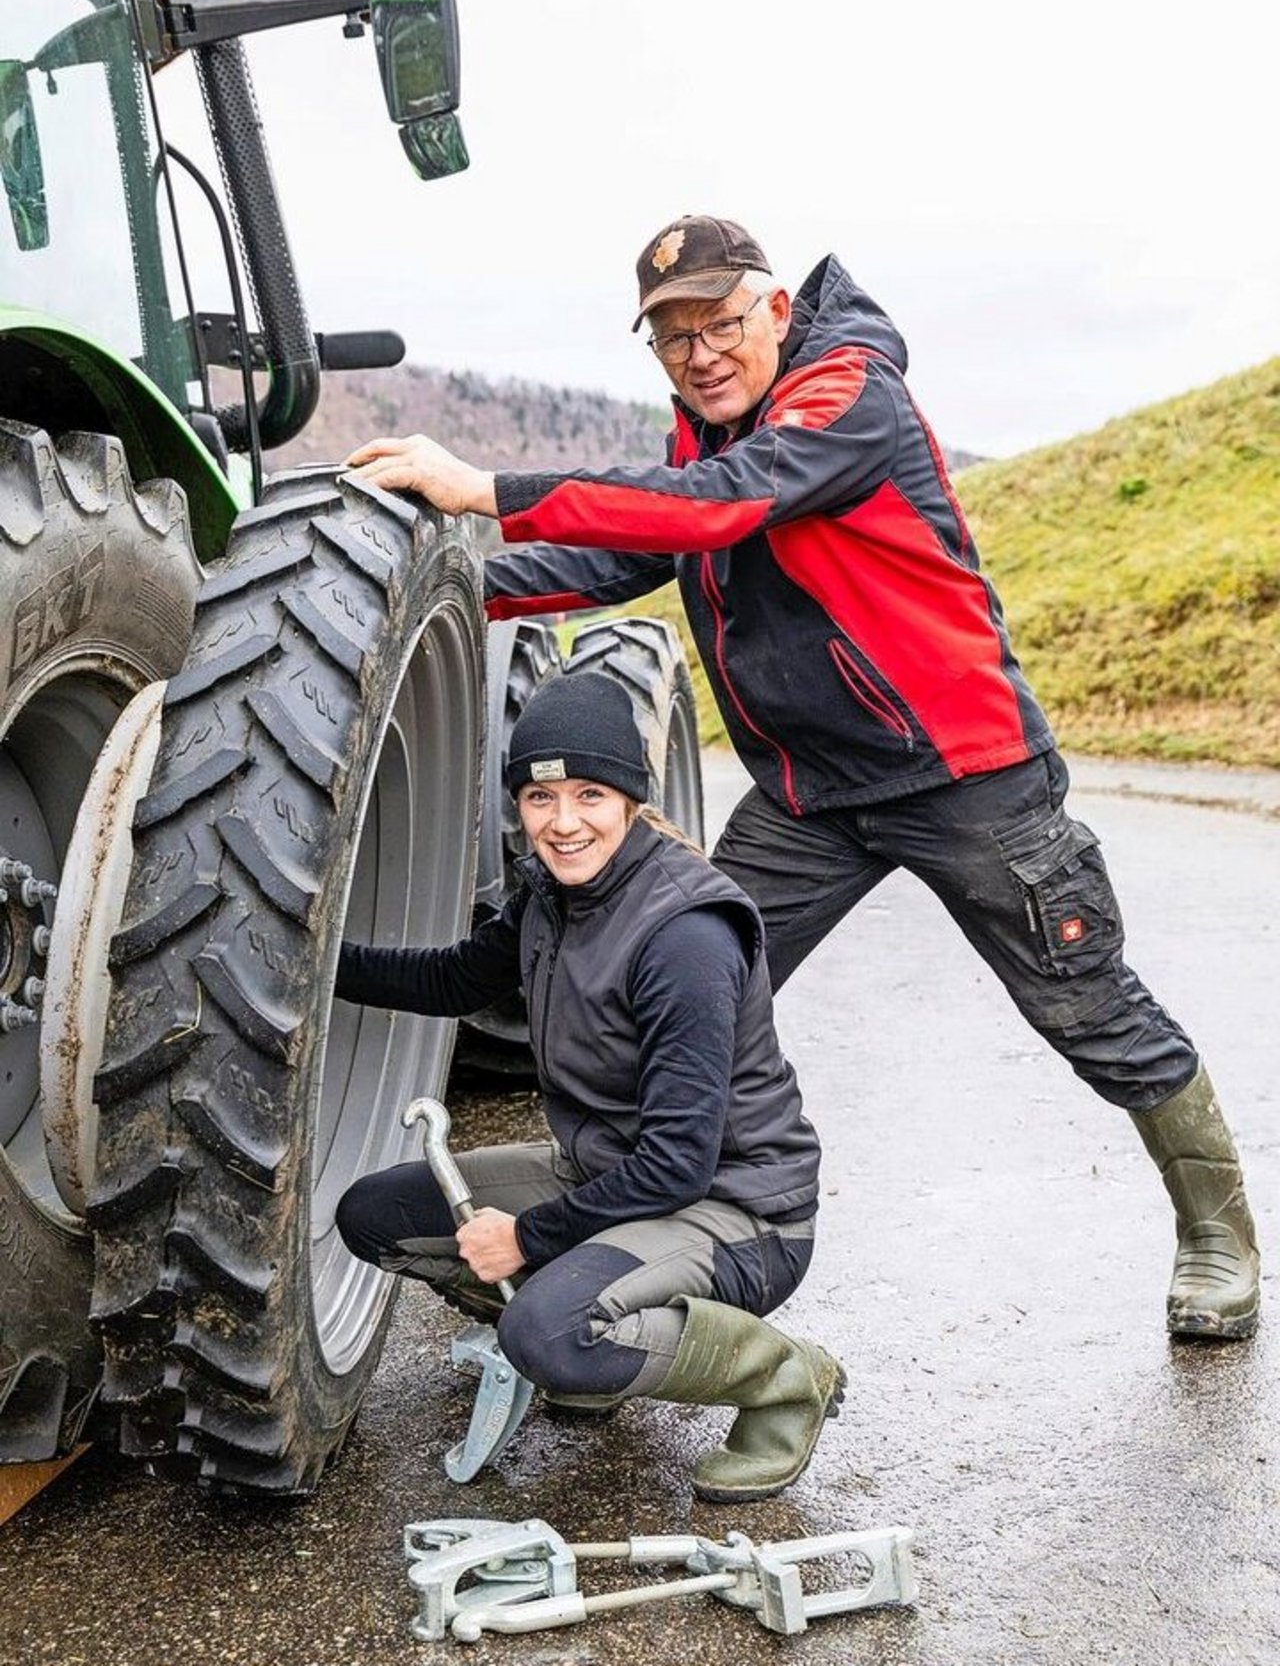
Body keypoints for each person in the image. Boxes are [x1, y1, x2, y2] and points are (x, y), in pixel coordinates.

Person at [344, 214, 1260, 1342]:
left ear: (775, 310)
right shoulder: (703, 438)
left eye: (720, 322)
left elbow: (728, 504)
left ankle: (1216, 1236)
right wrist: (446, 587)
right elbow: (626, 551)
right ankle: (617, 1265)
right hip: (805, 795)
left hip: (959, 770)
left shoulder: (844, 395)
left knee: (1087, 1005)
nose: (699, 353)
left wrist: (486, 484)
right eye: (672, 338)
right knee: (668, 978)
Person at [334, 670, 841, 1501]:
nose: (563, 822)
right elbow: (457, 981)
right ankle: (594, 1345)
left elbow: (679, 1161)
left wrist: (529, 1238)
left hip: (735, 1209)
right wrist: (316, 964)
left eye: (590, 795)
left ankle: (787, 1381)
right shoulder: (553, 893)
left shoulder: (685, 936)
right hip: (608, 1177)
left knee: (547, 1330)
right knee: (376, 1214)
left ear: (632, 799)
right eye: (540, 799)